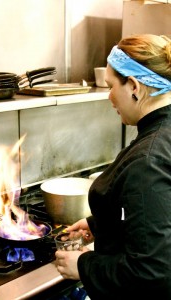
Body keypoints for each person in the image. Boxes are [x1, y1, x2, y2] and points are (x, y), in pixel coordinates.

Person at [55, 33, 171, 300]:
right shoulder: (161, 133)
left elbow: (153, 274)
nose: (109, 97)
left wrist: (84, 267)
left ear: (133, 86)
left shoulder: (148, 162)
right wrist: (101, 223)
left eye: (110, 86)